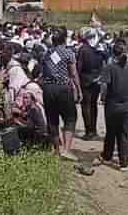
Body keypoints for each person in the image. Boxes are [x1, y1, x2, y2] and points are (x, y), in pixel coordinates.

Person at [94, 40, 128, 172]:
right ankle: (124, 162)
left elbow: (105, 86)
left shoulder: (109, 68)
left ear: (113, 54)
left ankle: (107, 156)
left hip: (112, 105)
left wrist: (102, 98)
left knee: (111, 132)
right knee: (125, 134)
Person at [41, 28, 81, 161]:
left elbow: (43, 71)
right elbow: (73, 74)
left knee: (52, 119)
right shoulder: (69, 53)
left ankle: (56, 149)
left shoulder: (46, 53)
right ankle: (66, 150)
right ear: (65, 39)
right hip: (63, 88)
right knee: (70, 117)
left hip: (48, 88)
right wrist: (78, 89)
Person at [77, 29, 103, 140]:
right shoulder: (99, 48)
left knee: (86, 105)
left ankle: (89, 132)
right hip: (97, 80)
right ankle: (94, 130)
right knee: (93, 105)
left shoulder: (83, 49)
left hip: (85, 80)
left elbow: (79, 67)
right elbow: (102, 65)